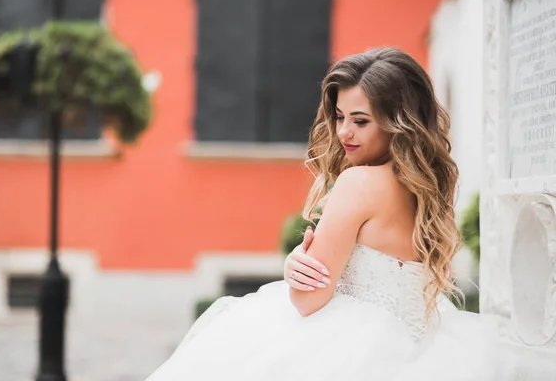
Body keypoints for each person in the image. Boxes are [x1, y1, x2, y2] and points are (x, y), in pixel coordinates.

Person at [145, 47, 512, 380]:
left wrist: (299, 261)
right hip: (420, 343)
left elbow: (307, 301)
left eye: (361, 120)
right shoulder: (422, 189)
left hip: (350, 348)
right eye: (339, 117)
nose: (344, 132)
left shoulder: (358, 183)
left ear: (398, 122)